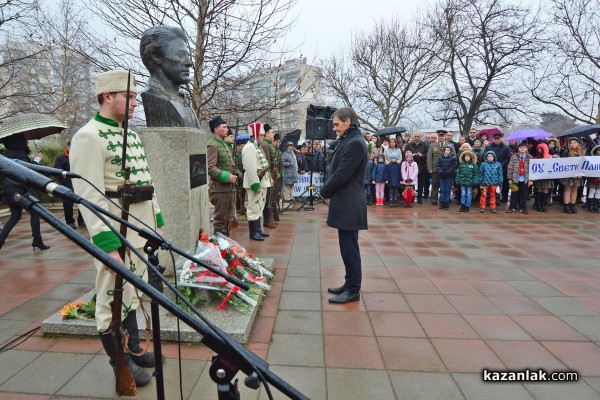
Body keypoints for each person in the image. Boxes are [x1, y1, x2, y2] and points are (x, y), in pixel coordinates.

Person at [70, 70, 165, 387]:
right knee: (112, 296)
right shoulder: (88, 136)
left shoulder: (133, 136)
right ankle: (119, 362)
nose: (137, 102)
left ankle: (135, 349)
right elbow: (89, 196)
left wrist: (157, 223)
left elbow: (146, 185)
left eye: (136, 96)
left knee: (133, 292)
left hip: (139, 229)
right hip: (115, 232)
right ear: (107, 96)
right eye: (130, 96)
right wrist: (107, 244)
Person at [320, 107, 367, 304]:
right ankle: (349, 283)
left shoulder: (355, 143)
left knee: (350, 248)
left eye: (337, 124)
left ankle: (354, 289)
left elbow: (341, 174)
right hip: (345, 201)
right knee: (346, 246)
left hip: (349, 202)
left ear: (348, 121)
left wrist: (324, 191)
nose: (334, 128)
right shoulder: (349, 139)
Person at [139, 26, 200, 128]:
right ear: (156, 56)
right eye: (181, 55)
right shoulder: (154, 96)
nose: (189, 63)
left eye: (187, 56)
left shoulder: (184, 100)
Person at [0, 133, 49, 251]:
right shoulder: (21, 155)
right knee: (35, 212)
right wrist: (37, 160)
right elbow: (27, 173)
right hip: (20, 191)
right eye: (24, 140)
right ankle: (37, 240)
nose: (26, 142)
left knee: (15, 216)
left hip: (9, 190)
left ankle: (0, 241)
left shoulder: (5, 156)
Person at [207, 116, 237, 236]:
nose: (227, 129)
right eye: (224, 127)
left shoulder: (224, 144)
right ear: (216, 129)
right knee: (220, 220)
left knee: (228, 217)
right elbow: (210, 168)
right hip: (220, 189)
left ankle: (226, 246)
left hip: (229, 188)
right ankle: (221, 249)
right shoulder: (212, 145)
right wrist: (227, 176)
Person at [242, 122, 271, 241]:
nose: (263, 137)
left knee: (260, 206)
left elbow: (263, 165)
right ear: (255, 135)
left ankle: (258, 229)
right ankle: (253, 232)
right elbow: (250, 168)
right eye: (261, 135)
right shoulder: (249, 147)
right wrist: (255, 185)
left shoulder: (256, 147)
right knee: (253, 206)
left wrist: (269, 179)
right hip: (255, 182)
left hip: (262, 180)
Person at [54, 141, 86, 229]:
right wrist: (65, 181)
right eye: (71, 146)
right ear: (67, 147)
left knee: (82, 202)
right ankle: (69, 222)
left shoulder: (80, 157)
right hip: (67, 184)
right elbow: (58, 171)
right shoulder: (60, 158)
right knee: (67, 203)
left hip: (79, 183)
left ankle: (81, 220)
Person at [260, 123, 279, 229]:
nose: (273, 134)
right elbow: (267, 162)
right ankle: (267, 220)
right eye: (272, 132)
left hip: (272, 174)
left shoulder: (270, 144)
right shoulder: (265, 145)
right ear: (266, 134)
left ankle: (269, 219)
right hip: (268, 175)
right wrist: (271, 176)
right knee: (267, 199)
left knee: (270, 198)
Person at [506, 141, 533, 214]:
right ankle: (511, 207)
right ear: (518, 149)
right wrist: (509, 178)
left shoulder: (530, 158)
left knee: (524, 195)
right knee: (513, 194)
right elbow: (510, 168)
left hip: (525, 179)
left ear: (527, 149)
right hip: (515, 179)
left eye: (524, 147)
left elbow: (532, 169)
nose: (522, 149)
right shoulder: (513, 157)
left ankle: (523, 208)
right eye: (521, 147)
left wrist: (531, 180)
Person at [560, 137, 586, 214]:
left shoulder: (582, 152)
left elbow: (584, 164)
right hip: (569, 175)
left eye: (574, 142)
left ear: (578, 143)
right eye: (571, 143)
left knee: (575, 190)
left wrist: (581, 174)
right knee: (568, 190)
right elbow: (564, 164)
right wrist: (571, 173)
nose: (573, 144)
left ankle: (572, 204)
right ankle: (566, 205)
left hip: (578, 175)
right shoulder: (566, 152)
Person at [484, 133, 512, 203]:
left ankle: (502, 198)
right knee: (490, 183)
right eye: (495, 139)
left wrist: (500, 165)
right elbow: (485, 156)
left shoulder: (506, 147)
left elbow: (508, 158)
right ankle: (489, 199)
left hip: (502, 168)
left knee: (502, 184)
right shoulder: (488, 147)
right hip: (490, 168)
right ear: (493, 139)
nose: (497, 140)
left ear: (501, 139)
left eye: (498, 138)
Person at [406, 131, 429, 203]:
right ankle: (411, 197)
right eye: (415, 136)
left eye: (418, 136)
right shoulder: (409, 145)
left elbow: (427, 155)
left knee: (421, 183)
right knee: (411, 182)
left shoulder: (425, 145)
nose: (416, 138)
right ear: (413, 137)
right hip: (411, 166)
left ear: (420, 137)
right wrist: (411, 155)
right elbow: (405, 155)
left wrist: (422, 155)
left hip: (421, 165)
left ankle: (419, 198)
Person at [436, 145, 458, 210]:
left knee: (447, 190)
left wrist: (448, 172)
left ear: (450, 151)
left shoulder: (453, 158)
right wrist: (441, 171)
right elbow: (437, 166)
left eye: (448, 150)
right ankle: (442, 203)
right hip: (442, 176)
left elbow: (454, 166)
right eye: (446, 150)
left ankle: (446, 203)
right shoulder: (440, 158)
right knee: (442, 190)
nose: (447, 151)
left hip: (449, 176)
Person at [533, 142, 553, 212]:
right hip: (539, 177)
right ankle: (538, 204)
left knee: (545, 189)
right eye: (538, 149)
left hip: (547, 177)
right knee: (539, 189)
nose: (539, 150)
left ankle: (543, 204)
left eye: (541, 149)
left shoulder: (551, 157)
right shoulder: (536, 158)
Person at [427, 132, 443, 205]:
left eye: (442, 136)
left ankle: (443, 199)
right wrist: (430, 168)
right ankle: (434, 199)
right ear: (438, 138)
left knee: (443, 184)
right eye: (440, 136)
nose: (441, 138)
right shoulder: (433, 146)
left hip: (445, 169)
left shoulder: (449, 145)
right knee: (435, 184)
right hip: (435, 168)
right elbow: (429, 157)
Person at [587, 144, 600, 213]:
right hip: (593, 178)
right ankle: (590, 206)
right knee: (592, 191)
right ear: (596, 151)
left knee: (598, 191)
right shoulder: (592, 158)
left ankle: (596, 206)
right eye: (598, 150)